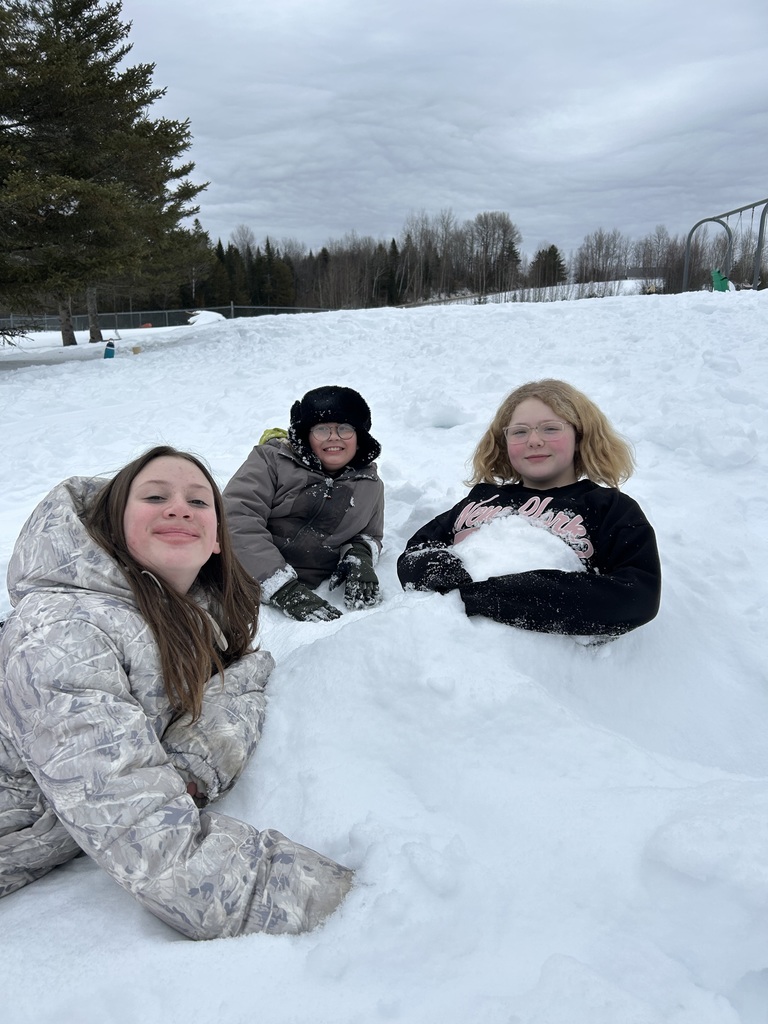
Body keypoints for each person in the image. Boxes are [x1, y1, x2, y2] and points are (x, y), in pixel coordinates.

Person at [0, 446, 352, 940]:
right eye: (155, 496)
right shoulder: (63, 637)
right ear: (111, 526)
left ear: (215, 540)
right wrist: (350, 910)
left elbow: (241, 677)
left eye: (199, 501)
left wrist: (185, 766)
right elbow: (150, 840)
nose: (180, 508)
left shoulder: (192, 615)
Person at [397, 380, 661, 638]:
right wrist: (439, 571)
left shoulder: (609, 507)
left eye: (550, 429)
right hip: (439, 654)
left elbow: (637, 596)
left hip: (528, 668)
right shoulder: (482, 498)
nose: (534, 441)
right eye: (520, 431)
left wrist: (496, 595)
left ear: (580, 436)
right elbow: (415, 551)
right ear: (504, 442)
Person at [224, 385, 384, 622]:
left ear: (359, 437)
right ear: (307, 435)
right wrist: (279, 585)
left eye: (345, 428)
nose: (334, 437)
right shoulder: (272, 460)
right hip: (237, 579)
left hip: (314, 592)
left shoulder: (370, 485)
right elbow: (235, 517)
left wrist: (359, 555)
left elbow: (369, 535)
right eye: (321, 429)